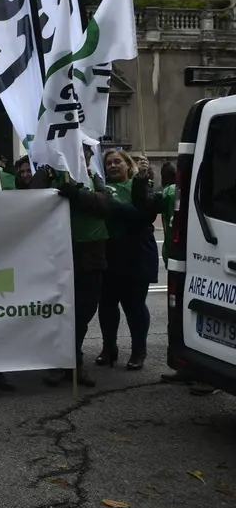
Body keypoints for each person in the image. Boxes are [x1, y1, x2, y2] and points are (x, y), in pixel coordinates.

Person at [35, 145, 110, 388]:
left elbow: (106, 205)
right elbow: (29, 197)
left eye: (82, 156)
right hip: (57, 253)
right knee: (59, 310)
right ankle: (59, 362)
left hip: (91, 253)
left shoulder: (95, 179)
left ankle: (75, 360)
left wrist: (77, 194)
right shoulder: (51, 177)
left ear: (88, 159)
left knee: (84, 311)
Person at [97, 149, 158, 371]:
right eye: (108, 164)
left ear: (128, 164)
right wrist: (129, 211)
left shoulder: (140, 183)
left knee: (134, 306)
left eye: (117, 162)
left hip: (137, 255)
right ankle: (108, 348)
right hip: (110, 254)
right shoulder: (104, 188)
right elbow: (118, 210)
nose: (113, 166)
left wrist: (124, 210)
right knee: (106, 305)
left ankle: (138, 351)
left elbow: (145, 214)